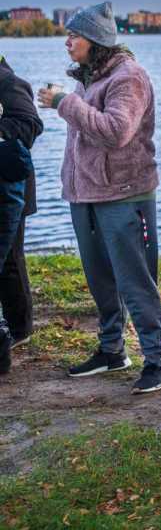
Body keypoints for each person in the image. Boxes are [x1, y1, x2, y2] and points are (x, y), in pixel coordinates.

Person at [36, 2, 161, 393]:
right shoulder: (89, 77)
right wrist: (69, 100)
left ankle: (157, 360)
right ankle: (112, 350)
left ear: (95, 41)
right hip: (86, 195)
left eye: (73, 36)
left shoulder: (128, 78)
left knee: (135, 280)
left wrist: (65, 102)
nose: (67, 42)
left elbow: (116, 131)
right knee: (100, 280)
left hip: (124, 196)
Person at [0, 53, 44, 362]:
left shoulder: (10, 82)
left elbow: (30, 125)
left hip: (9, 188)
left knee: (11, 260)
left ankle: (20, 328)